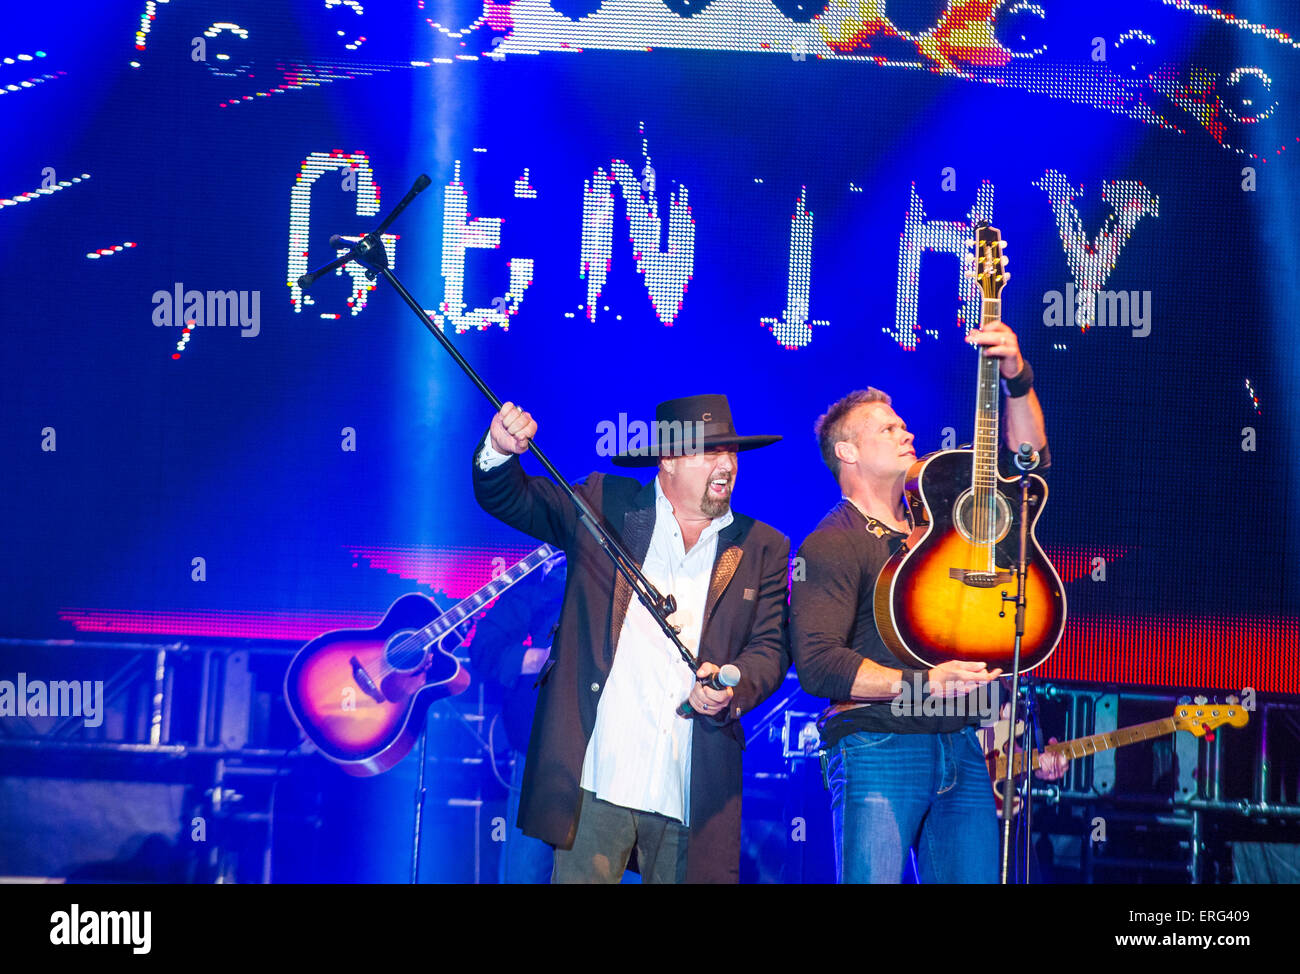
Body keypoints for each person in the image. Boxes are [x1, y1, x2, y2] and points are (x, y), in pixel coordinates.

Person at [472, 393, 791, 883]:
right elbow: (513, 498)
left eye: (730, 452)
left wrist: (734, 685)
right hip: (601, 775)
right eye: (708, 452)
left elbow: (771, 648)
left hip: (689, 787)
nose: (726, 464)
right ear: (667, 460)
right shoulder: (608, 505)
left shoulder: (761, 546)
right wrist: (499, 449)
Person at [790, 320, 1067, 884]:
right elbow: (817, 664)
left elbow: (1028, 462)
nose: (905, 432)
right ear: (847, 450)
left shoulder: (939, 525)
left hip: (962, 744)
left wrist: (1014, 373)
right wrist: (921, 685)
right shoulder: (832, 542)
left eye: (903, 424)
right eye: (887, 428)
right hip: (877, 742)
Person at [466, 555, 566, 884]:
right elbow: (484, 647)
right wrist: (542, 659)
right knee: (527, 867)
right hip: (545, 745)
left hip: (617, 751)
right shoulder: (548, 579)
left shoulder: (636, 576)